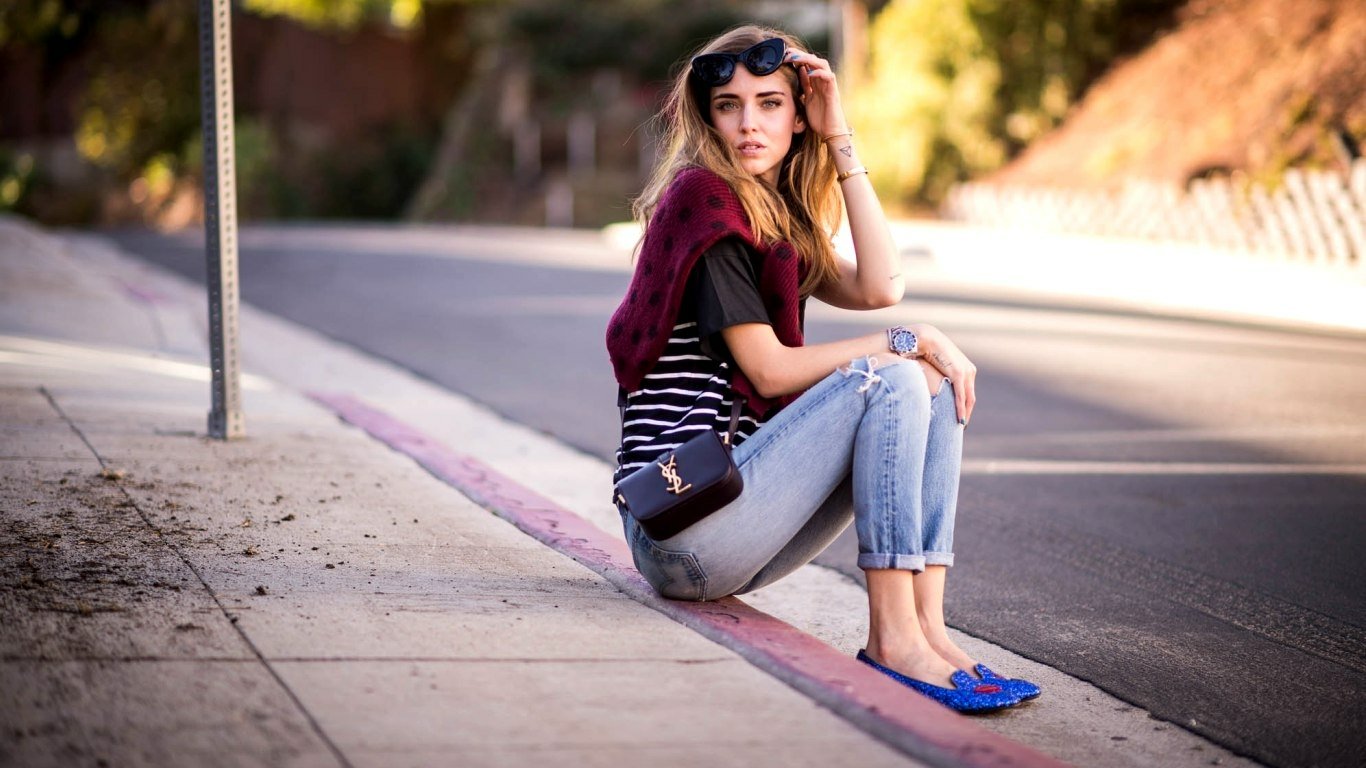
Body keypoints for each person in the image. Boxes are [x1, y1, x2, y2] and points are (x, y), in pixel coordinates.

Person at [605, 25, 1039, 714]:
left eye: (770, 103)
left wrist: (839, 134)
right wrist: (909, 339)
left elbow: (881, 285)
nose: (749, 124)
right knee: (894, 375)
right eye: (728, 106)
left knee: (928, 385)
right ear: (708, 118)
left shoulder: (772, 215)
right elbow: (771, 371)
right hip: (681, 528)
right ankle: (893, 639)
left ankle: (927, 630)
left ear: (798, 115)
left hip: (730, 517)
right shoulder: (705, 205)